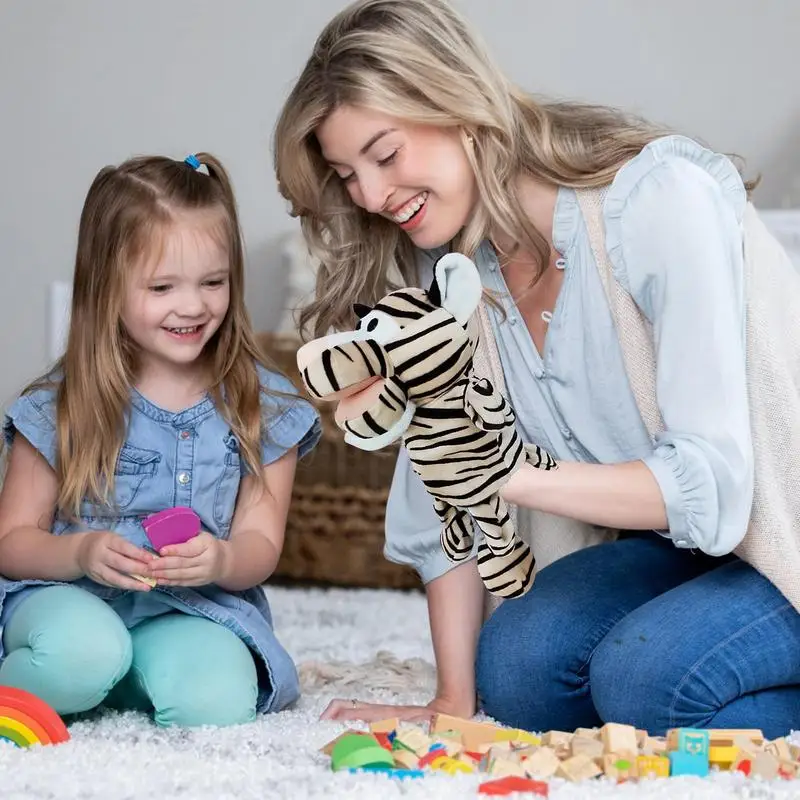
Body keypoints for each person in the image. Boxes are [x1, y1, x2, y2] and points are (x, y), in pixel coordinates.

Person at [273, 0, 800, 739]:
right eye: (346, 174)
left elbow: (713, 486)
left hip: (781, 527)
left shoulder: (656, 203)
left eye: (385, 155)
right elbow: (440, 496)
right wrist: (452, 701)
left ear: (458, 103)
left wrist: (507, 473)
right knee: (516, 672)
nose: (370, 195)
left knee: (646, 683)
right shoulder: (450, 275)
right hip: (681, 550)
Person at [0, 152, 320, 727]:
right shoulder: (62, 402)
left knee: (218, 701)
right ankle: (82, 674)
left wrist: (222, 558)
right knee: (81, 654)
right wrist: (80, 552)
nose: (193, 306)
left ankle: (116, 681)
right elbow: (11, 541)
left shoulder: (265, 405)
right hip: (66, 600)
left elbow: (259, 544)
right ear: (106, 286)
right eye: (162, 286)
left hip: (185, 609)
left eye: (213, 282)